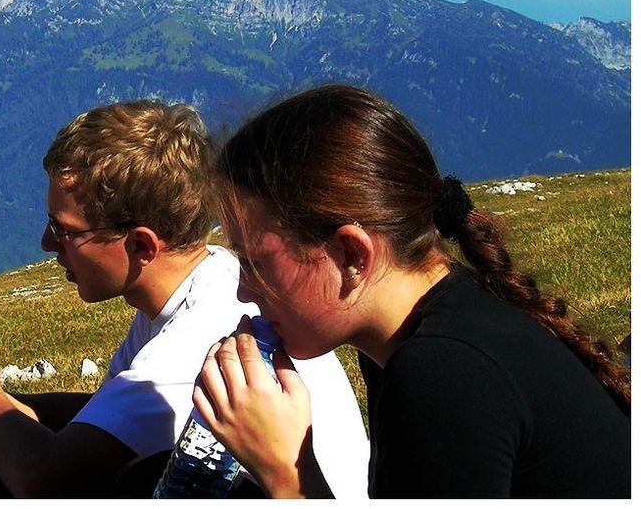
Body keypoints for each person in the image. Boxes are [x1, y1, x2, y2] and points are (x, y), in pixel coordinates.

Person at [0, 99, 369, 499]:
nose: (45, 244)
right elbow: (105, 417)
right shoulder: (206, 280)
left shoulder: (199, 342)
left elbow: (47, 479)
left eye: (64, 231)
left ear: (141, 245)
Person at [194, 84, 631, 498]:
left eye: (255, 262)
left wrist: (287, 474)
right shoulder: (433, 329)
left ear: (351, 256)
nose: (244, 292)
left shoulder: (442, 375)